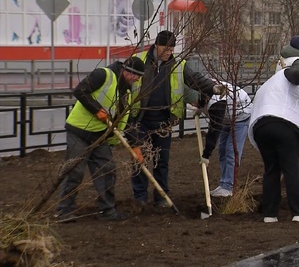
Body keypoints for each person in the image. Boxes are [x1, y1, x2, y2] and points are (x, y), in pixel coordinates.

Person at [127, 30, 226, 207]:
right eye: (166, 48)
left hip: (164, 120)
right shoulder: (139, 59)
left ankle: (161, 196)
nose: (169, 52)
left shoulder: (178, 64)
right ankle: (140, 197)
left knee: (162, 160)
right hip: (139, 119)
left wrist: (213, 88)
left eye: (172, 48)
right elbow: (126, 80)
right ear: (156, 45)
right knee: (139, 159)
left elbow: (194, 79)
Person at [55, 57, 146, 221]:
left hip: (100, 135)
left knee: (107, 170)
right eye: (136, 76)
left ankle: (108, 211)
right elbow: (80, 91)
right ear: (127, 71)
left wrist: (135, 145)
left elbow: (127, 121)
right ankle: (64, 211)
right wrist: (97, 110)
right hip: (79, 131)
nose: (137, 80)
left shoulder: (127, 93)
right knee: (75, 171)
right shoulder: (103, 75)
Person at [248, 65, 299, 223]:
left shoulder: (266, 86)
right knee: (290, 169)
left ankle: (270, 214)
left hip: (260, 128)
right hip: (283, 124)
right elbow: (296, 73)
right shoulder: (285, 74)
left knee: (271, 170)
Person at [196, 81, 253, 197]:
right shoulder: (204, 87)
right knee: (222, 149)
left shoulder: (216, 101)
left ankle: (229, 187)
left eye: (194, 102)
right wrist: (201, 108)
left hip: (241, 116)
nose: (192, 104)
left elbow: (214, 129)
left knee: (231, 151)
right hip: (228, 115)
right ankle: (224, 184)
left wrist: (206, 155)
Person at [276, 35, 299, 114]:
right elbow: (295, 79)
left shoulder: (282, 59)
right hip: (295, 103)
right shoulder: (297, 61)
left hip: (283, 100)